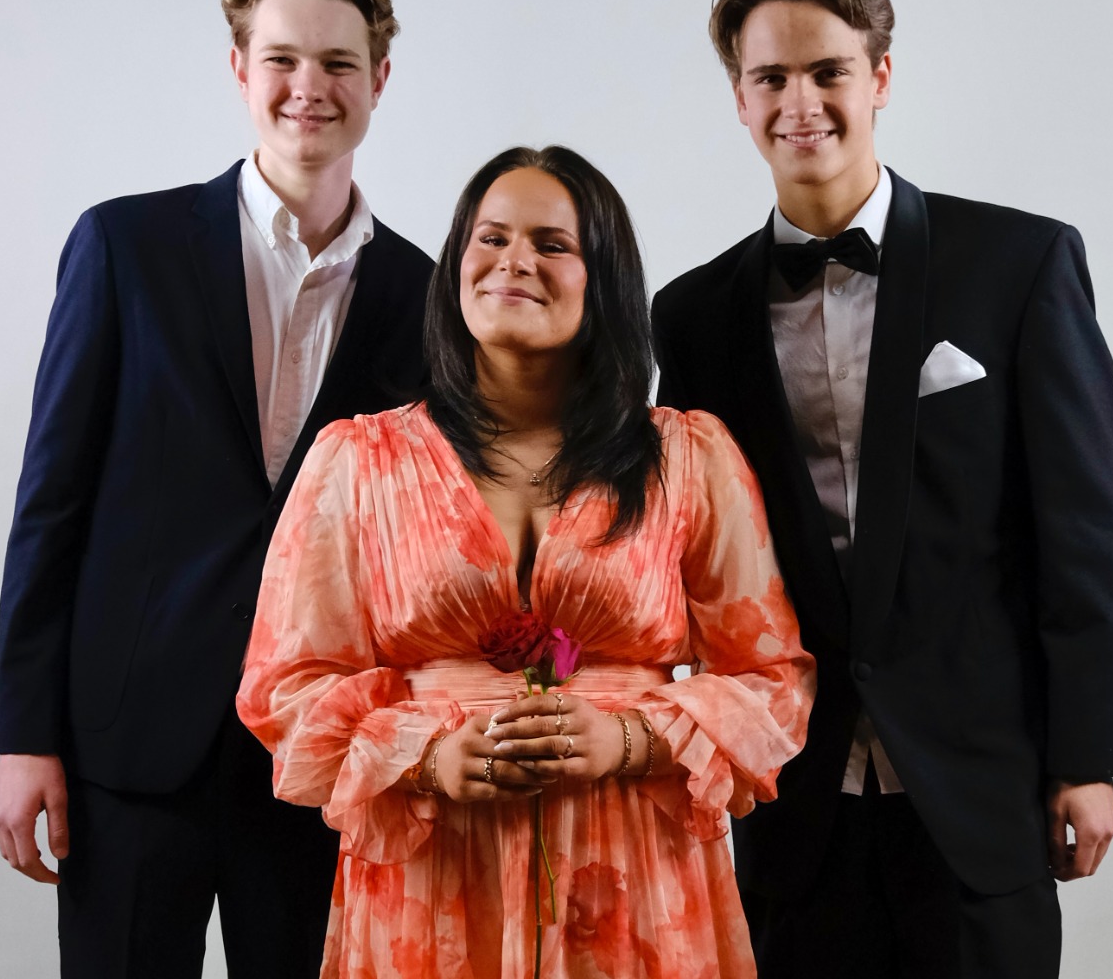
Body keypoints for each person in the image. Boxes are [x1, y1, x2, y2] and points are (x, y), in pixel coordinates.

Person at [651, 0, 1113, 979]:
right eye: (770, 77)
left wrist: (1090, 756)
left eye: (827, 70)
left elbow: (1085, 527)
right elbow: (691, 553)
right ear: (738, 99)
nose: (801, 102)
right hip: (793, 798)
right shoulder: (691, 317)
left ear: (879, 77)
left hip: (981, 786)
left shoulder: (1019, 263)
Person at [236, 145, 815, 978]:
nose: (514, 261)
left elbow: (773, 681)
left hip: (635, 881)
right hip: (430, 877)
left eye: (552, 244)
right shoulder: (359, 462)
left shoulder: (689, 458)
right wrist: (426, 756)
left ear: (603, 278)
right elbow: (285, 686)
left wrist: (630, 739)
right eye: (491, 237)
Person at [0, 0, 434, 978]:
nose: (309, 86)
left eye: (339, 62)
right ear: (240, 68)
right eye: (283, 59)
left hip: (321, 763)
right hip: (129, 751)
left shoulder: (427, 295)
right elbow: (51, 504)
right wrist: (24, 733)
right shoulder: (124, 247)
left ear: (379, 78)